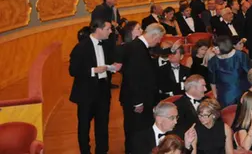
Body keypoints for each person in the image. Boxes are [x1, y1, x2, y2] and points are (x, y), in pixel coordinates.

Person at [70, 19, 121, 154]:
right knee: (84, 126)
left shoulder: (106, 45)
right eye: (108, 29)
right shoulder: (81, 47)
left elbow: (108, 62)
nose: (111, 32)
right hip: (86, 92)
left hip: (103, 89)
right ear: (98, 29)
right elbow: (73, 71)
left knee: (103, 124)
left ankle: (102, 151)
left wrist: (113, 66)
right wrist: (93, 70)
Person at [121, 23, 165, 153]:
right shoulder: (137, 48)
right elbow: (133, 77)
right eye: (159, 38)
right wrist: (138, 101)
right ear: (155, 35)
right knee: (135, 131)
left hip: (140, 97)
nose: (159, 42)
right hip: (137, 100)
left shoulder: (139, 46)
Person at [132, 101, 197, 154]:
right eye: (172, 118)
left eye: (176, 117)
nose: (175, 122)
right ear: (159, 119)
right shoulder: (140, 138)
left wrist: (187, 144)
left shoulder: (179, 134)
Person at [207, 35, 251, 107]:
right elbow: (212, 81)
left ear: (224, 46)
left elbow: (250, 74)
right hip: (224, 96)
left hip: (242, 92)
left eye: (216, 47)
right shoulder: (213, 61)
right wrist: (215, 96)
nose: (212, 50)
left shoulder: (241, 56)